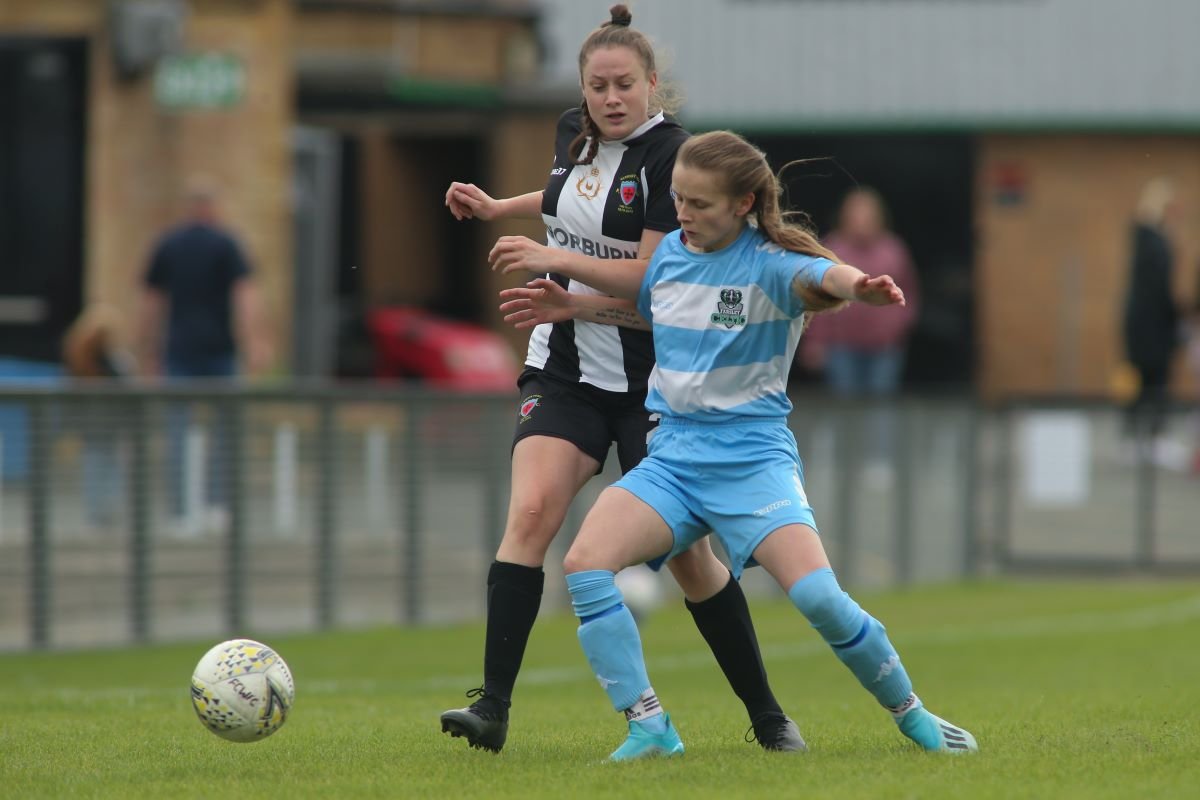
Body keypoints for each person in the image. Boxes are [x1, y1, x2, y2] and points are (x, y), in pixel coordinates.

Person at [497, 130, 978, 760]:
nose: (683, 215)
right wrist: (568, 293)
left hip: (752, 462)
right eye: (678, 200)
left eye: (698, 204)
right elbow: (642, 299)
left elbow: (823, 273)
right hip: (671, 459)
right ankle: (650, 727)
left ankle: (911, 714)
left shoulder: (772, 265)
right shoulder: (671, 253)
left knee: (817, 599)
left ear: (744, 204)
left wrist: (860, 285)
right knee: (585, 564)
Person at [439, 5, 803, 754]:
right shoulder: (572, 131)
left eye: (623, 85)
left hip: (654, 386)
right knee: (532, 511)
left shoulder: (675, 157)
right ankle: (493, 710)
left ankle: (768, 715)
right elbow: (567, 200)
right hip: (566, 369)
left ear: (652, 85)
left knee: (687, 559)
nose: (609, 98)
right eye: (597, 85)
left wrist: (559, 270)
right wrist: (496, 207)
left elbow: (653, 284)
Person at [135, 176, 271, 536]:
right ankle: (215, 506)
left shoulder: (168, 244)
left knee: (178, 433)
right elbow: (245, 295)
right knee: (224, 431)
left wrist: (146, 348)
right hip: (219, 350)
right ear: (213, 207)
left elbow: (151, 300)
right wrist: (254, 341)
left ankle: (182, 512)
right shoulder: (226, 243)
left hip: (179, 350)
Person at [800, 187, 919, 484]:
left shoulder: (894, 250)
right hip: (842, 346)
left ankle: (877, 461)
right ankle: (845, 459)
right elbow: (817, 298)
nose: (862, 220)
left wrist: (898, 325)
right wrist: (816, 342)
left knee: (880, 403)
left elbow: (911, 294)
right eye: (856, 214)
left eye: (867, 214)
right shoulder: (832, 248)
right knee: (844, 402)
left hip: (884, 346)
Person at [62, 304, 136, 530]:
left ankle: (101, 513)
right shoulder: (94, 360)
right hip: (102, 425)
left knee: (101, 465)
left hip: (99, 425)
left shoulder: (82, 357)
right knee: (103, 465)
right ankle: (102, 513)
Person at [1122, 177, 1182, 452]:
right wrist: (1176, 315)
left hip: (1147, 323)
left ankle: (1140, 436)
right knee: (1148, 380)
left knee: (1145, 379)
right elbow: (1158, 288)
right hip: (1150, 326)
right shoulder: (1152, 242)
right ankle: (1143, 438)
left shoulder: (1147, 240)